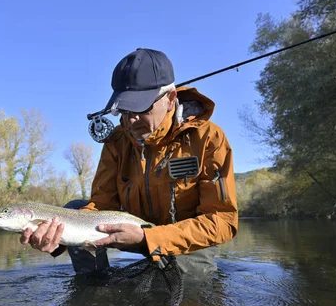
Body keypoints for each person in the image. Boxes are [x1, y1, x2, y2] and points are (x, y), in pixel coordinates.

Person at [20, 48, 238, 276]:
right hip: (128, 232)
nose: (131, 120)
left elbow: (223, 221)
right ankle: (94, 288)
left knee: (187, 285)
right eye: (124, 109)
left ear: (171, 99)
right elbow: (101, 205)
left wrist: (149, 237)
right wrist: (60, 238)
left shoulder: (209, 138)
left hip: (184, 242)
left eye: (141, 107)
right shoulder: (116, 142)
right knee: (74, 209)